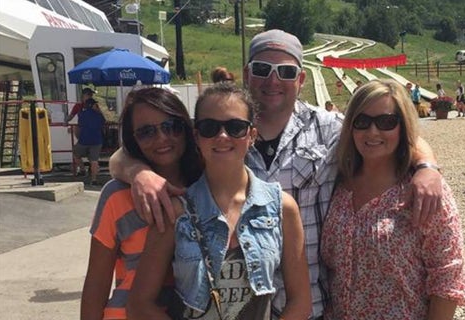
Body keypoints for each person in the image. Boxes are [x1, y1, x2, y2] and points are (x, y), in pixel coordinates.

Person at [109, 28, 443, 319]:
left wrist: (426, 167)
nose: (273, 80)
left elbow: (383, 136)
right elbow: (126, 154)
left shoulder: (328, 129)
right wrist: (138, 171)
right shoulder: (218, 134)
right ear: (247, 73)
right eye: (263, 69)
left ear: (300, 79)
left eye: (285, 72)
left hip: (311, 307)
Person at [127, 83, 311, 319]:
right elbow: (139, 304)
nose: (222, 136)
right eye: (209, 127)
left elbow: (301, 301)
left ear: (252, 135)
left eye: (235, 127)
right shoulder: (177, 212)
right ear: (196, 136)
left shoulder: (282, 208)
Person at [321, 79, 465, 319]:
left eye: (386, 122)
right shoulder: (336, 183)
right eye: (362, 122)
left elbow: (447, 277)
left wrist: (428, 166)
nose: (373, 132)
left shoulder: (422, 189)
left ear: (403, 126)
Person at [81, 88, 203, 320]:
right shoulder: (116, 195)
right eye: (146, 132)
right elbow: (97, 282)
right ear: (133, 139)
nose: (161, 138)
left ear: (186, 128)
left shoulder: (208, 186)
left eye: (171, 126)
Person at [72, 93, 106, 185]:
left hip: (84, 140)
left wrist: (79, 137)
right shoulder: (99, 115)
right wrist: (99, 111)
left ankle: (83, 170)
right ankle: (94, 180)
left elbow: (78, 127)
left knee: (76, 154)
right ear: (93, 105)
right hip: (97, 141)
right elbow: (104, 122)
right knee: (94, 161)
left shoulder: (81, 114)